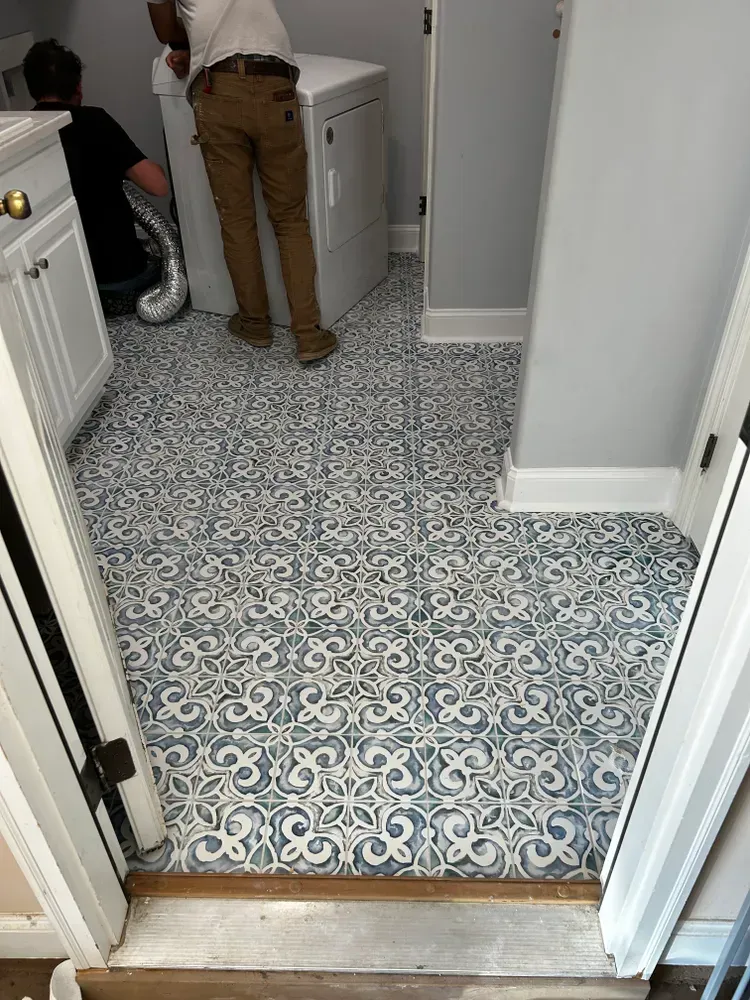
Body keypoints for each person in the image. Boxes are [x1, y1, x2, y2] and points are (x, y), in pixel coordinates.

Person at [146, 0, 337, 363]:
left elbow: (165, 29)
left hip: (218, 89)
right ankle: (309, 335)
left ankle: (255, 324)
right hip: (276, 82)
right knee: (291, 220)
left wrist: (187, 50)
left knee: (236, 219)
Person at [23, 39, 169, 306]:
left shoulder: (23, 133)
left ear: (32, 89)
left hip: (66, 282)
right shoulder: (95, 121)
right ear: (78, 87)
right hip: (118, 279)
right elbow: (158, 186)